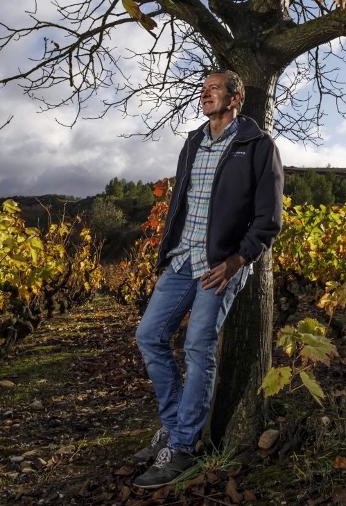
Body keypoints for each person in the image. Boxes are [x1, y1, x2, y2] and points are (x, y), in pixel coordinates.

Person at [132, 70, 284, 489]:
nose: (205, 94)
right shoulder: (193, 142)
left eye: (214, 89)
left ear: (236, 98)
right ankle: (172, 425)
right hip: (181, 261)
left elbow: (269, 220)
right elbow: (181, 201)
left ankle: (182, 447)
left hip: (220, 266)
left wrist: (239, 260)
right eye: (203, 89)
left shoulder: (257, 146)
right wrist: (166, 250)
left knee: (199, 346)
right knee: (149, 336)